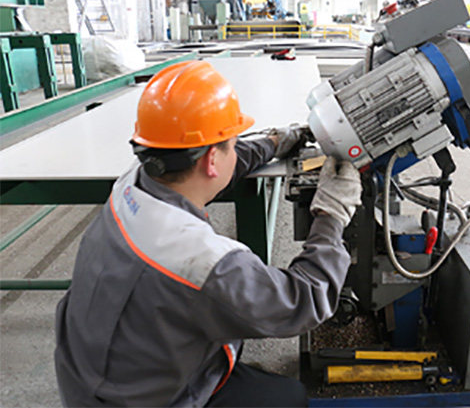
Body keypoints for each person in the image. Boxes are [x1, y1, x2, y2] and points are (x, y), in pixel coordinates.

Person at [54, 60, 362, 407]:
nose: (236, 146)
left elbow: (216, 159)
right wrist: (332, 214)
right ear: (212, 160)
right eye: (232, 140)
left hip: (91, 374)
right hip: (142, 401)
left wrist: (274, 143)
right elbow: (303, 300)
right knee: (288, 397)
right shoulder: (203, 262)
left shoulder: (133, 181)